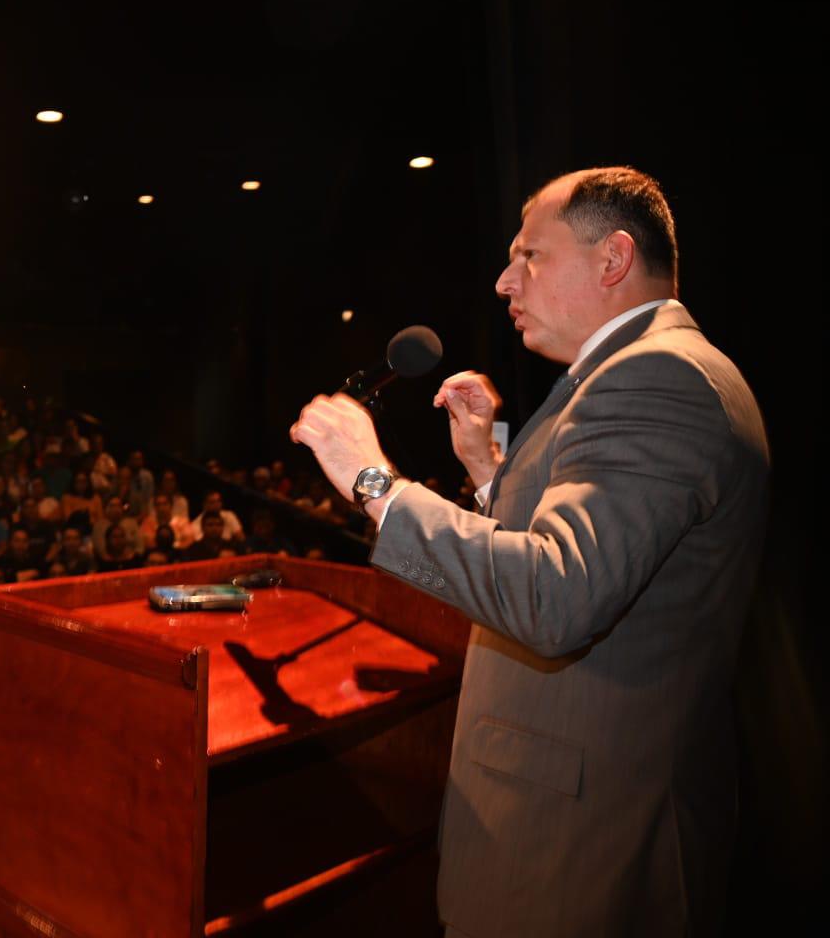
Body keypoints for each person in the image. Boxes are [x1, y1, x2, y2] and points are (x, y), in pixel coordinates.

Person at [289, 167, 770, 937]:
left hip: (582, 849)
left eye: (530, 256)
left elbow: (555, 597)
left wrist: (372, 480)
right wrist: (488, 470)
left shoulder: (657, 377)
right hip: (574, 825)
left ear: (612, 260)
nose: (504, 280)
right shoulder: (631, 373)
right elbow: (595, 556)